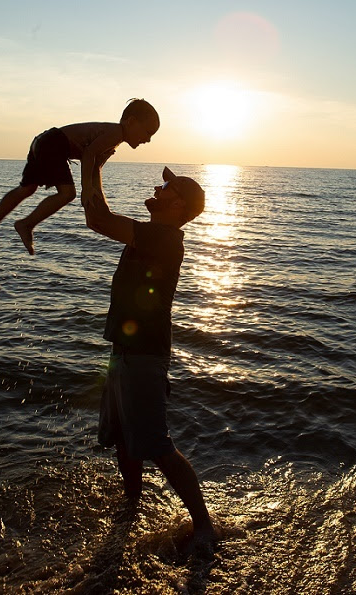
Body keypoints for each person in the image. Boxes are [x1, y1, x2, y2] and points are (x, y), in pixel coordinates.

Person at [83, 162, 221, 547]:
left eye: (167, 189)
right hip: (123, 353)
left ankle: (204, 527)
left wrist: (91, 164)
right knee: (125, 439)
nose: (158, 190)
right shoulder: (148, 236)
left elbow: (96, 220)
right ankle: (131, 508)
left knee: (158, 446)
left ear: (179, 208)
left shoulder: (162, 238)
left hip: (143, 357)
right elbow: (100, 215)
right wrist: (91, 167)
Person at [0, 98, 159, 255]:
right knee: (67, 194)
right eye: (148, 132)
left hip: (43, 141)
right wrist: (87, 189)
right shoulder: (115, 133)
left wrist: (98, 196)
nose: (148, 140)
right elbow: (88, 155)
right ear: (131, 122)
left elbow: (95, 166)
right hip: (54, 144)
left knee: (27, 188)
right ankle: (26, 224)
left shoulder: (113, 141)